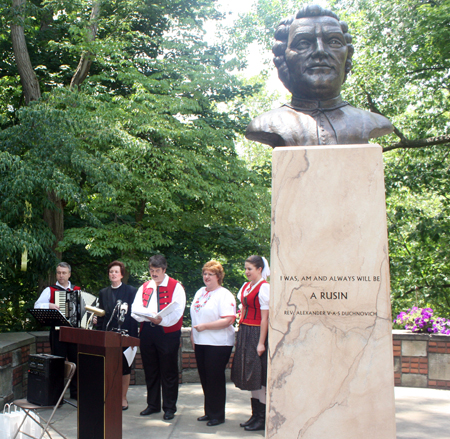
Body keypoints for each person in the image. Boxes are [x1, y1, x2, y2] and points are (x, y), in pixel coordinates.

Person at [245, 4, 393, 147]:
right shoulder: (266, 124)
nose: (320, 51)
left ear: (347, 55)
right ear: (283, 58)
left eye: (334, 42)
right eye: (303, 43)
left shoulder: (370, 122)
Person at [131, 255, 186, 420]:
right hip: (148, 330)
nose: (153, 274)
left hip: (167, 333)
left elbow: (177, 311)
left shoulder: (176, 286)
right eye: (151, 270)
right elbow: (135, 309)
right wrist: (147, 317)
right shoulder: (145, 286)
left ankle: (169, 407)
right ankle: (153, 405)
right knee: (150, 369)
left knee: (168, 371)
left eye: (157, 271)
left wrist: (162, 319)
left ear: (164, 269)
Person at [190, 261, 236, 427]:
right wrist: (193, 336)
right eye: (204, 273)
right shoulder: (200, 292)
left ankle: (218, 415)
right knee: (205, 378)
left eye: (210, 274)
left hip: (218, 344)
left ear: (218, 276)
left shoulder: (224, 295)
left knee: (214, 378)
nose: (206, 277)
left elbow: (229, 319)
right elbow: (195, 316)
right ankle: (209, 412)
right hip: (201, 341)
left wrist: (205, 327)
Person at [231, 255, 270, 432]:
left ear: (260, 269)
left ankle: (262, 418)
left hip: (256, 333)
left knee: (258, 375)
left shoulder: (264, 288)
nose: (246, 272)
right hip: (246, 331)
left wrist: (261, 343)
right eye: (246, 268)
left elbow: (265, 319)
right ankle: (255, 415)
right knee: (250, 374)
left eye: (250, 269)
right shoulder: (247, 287)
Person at [96, 260, 138, 410]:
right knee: (108, 367)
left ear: (121, 274)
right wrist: (99, 335)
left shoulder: (131, 291)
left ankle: (123, 398)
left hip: (125, 336)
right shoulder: (103, 293)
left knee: (124, 368)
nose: (113, 274)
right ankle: (110, 396)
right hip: (108, 336)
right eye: (111, 272)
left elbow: (134, 316)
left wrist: (133, 339)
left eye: (116, 272)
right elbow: (101, 316)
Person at [34, 262, 80, 399]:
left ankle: (75, 393)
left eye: (64, 273)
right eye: (59, 273)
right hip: (57, 332)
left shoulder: (76, 290)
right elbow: (37, 306)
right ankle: (57, 394)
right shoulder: (50, 290)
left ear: (69, 274)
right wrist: (49, 305)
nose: (61, 275)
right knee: (58, 363)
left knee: (76, 362)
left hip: (74, 333)